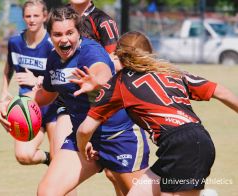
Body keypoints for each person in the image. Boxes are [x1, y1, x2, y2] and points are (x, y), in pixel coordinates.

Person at [0, 7, 149, 195]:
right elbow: (45, 95)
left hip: (119, 137)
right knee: (47, 192)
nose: (64, 39)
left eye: (70, 33)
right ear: (50, 35)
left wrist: (96, 81)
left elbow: (102, 70)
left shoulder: (90, 51)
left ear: (79, 33)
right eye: (57, 34)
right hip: (82, 140)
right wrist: (12, 105)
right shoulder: (54, 58)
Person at [73, 31, 238, 196]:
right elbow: (221, 91)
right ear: (149, 52)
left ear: (119, 55)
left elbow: (85, 130)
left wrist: (83, 146)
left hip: (182, 147)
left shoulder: (120, 83)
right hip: (188, 142)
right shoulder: (170, 71)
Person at [68, 1, 147, 195]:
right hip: (73, 101)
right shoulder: (62, 18)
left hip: (104, 102)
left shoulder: (102, 21)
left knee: (117, 175)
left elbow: (117, 62)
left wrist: (97, 78)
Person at [0, 0, 58, 166]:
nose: (32, 19)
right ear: (23, 17)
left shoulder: (53, 44)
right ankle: (48, 159)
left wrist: (38, 80)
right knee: (23, 155)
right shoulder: (15, 42)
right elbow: (8, 67)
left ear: (45, 16)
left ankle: (56, 162)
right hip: (27, 108)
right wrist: (4, 92)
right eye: (28, 16)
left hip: (54, 106)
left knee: (60, 161)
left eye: (36, 15)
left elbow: (61, 75)